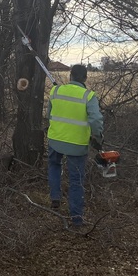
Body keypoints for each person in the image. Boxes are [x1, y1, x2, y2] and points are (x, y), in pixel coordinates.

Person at [46, 64, 103, 226]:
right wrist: (98, 137)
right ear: (85, 78)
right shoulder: (89, 96)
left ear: (70, 76)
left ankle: (55, 197)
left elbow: (49, 115)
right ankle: (76, 218)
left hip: (55, 139)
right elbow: (96, 121)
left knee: (54, 165)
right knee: (76, 180)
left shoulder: (56, 91)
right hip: (77, 145)